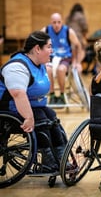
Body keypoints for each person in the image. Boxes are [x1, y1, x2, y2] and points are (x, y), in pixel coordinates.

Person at [0, 31, 67, 172]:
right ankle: (48, 162)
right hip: (7, 109)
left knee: (51, 116)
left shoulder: (40, 64)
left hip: (29, 106)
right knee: (40, 118)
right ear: (37, 49)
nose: (52, 50)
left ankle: (61, 158)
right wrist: (28, 117)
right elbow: (18, 94)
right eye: (49, 47)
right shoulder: (17, 67)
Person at [41, 12, 82, 105]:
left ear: (62, 22)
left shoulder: (68, 31)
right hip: (50, 57)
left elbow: (78, 45)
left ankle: (62, 95)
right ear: (51, 22)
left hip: (65, 57)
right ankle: (52, 95)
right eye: (54, 22)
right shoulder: (45, 30)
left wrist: (77, 62)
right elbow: (36, 43)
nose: (56, 25)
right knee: (48, 69)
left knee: (61, 69)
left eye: (59, 22)